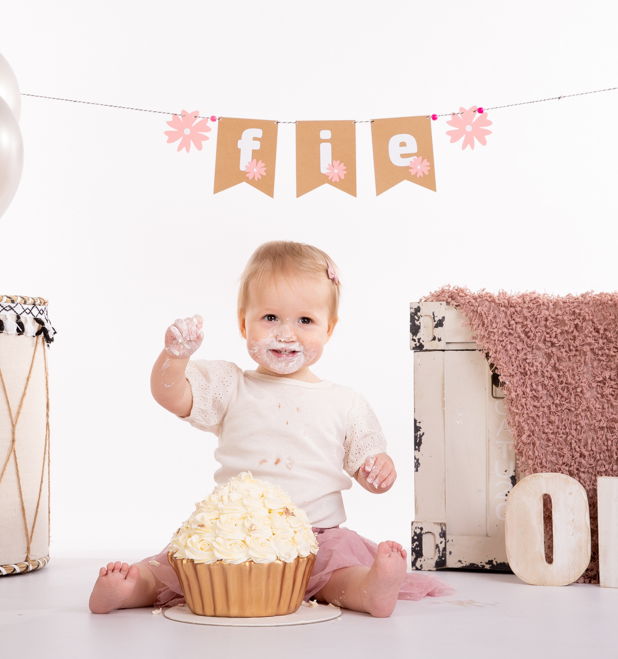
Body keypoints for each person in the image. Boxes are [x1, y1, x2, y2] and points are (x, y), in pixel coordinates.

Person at [90, 241, 450, 616]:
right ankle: (134, 587)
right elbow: (172, 396)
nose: (286, 334)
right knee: (180, 567)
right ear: (244, 322)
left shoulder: (345, 402)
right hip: (235, 533)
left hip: (316, 536)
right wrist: (175, 358)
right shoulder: (231, 384)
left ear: (330, 328)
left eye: (305, 321)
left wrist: (379, 470)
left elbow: (367, 465)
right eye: (271, 318)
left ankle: (368, 588)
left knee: (335, 574)